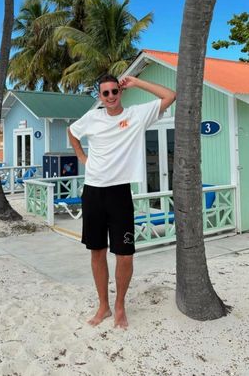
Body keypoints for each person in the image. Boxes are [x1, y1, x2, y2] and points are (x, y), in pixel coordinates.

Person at [68, 74, 176, 328]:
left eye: (114, 91)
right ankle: (103, 305)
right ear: (100, 96)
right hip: (93, 191)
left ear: (120, 91)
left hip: (120, 194)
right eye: (105, 93)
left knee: (125, 255)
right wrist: (83, 157)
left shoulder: (137, 115)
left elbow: (170, 96)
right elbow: (71, 132)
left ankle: (120, 306)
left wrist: (138, 83)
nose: (111, 97)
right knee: (97, 252)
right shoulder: (92, 118)